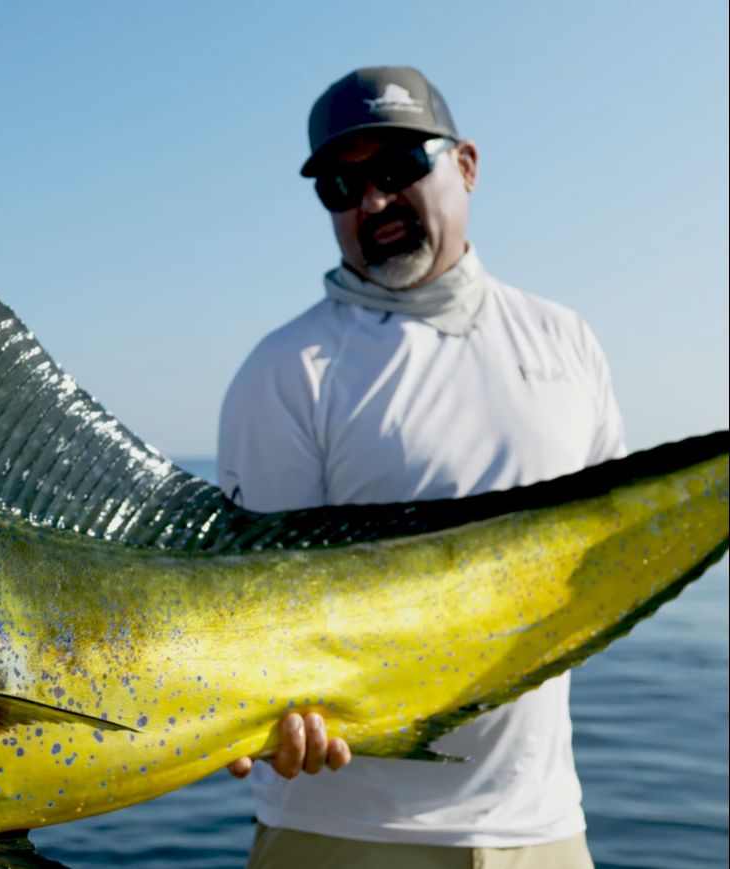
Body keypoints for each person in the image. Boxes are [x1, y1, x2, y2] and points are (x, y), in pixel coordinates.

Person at [217, 66, 624, 869]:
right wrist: (260, 709)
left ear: (465, 165)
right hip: (342, 836)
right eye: (341, 184)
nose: (370, 203)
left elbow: (608, 566)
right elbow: (250, 616)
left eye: (398, 169)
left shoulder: (565, 340)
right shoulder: (286, 368)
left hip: (540, 828)